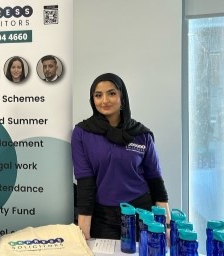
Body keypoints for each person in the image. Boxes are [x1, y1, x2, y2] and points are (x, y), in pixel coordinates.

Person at [71, 73, 170, 241]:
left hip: (141, 213)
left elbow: (155, 180)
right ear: (92, 100)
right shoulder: (82, 133)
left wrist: (167, 225)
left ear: (122, 97)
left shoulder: (141, 134)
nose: (105, 100)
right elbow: (85, 183)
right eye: (98, 95)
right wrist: (83, 232)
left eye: (112, 93)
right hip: (103, 218)